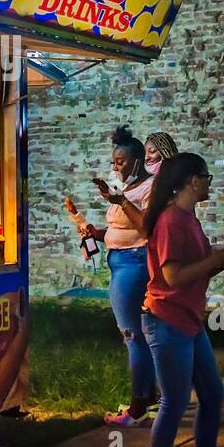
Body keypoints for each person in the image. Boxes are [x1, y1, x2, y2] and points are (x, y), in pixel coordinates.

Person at [141, 153, 224, 447]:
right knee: (174, 401)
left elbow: (198, 263)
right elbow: (173, 276)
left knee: (213, 394)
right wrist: (218, 259)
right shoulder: (172, 221)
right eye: (207, 177)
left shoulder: (188, 218)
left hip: (187, 318)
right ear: (192, 180)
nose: (209, 184)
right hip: (166, 318)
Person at [72, 126, 157, 426]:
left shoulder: (149, 188)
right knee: (143, 335)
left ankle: (136, 409)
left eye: (120, 162)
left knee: (132, 335)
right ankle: (151, 397)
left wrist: (119, 200)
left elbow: (145, 226)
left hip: (134, 263)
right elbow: (123, 229)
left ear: (137, 161)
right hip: (120, 259)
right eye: (113, 162)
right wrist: (97, 232)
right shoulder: (128, 191)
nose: (115, 167)